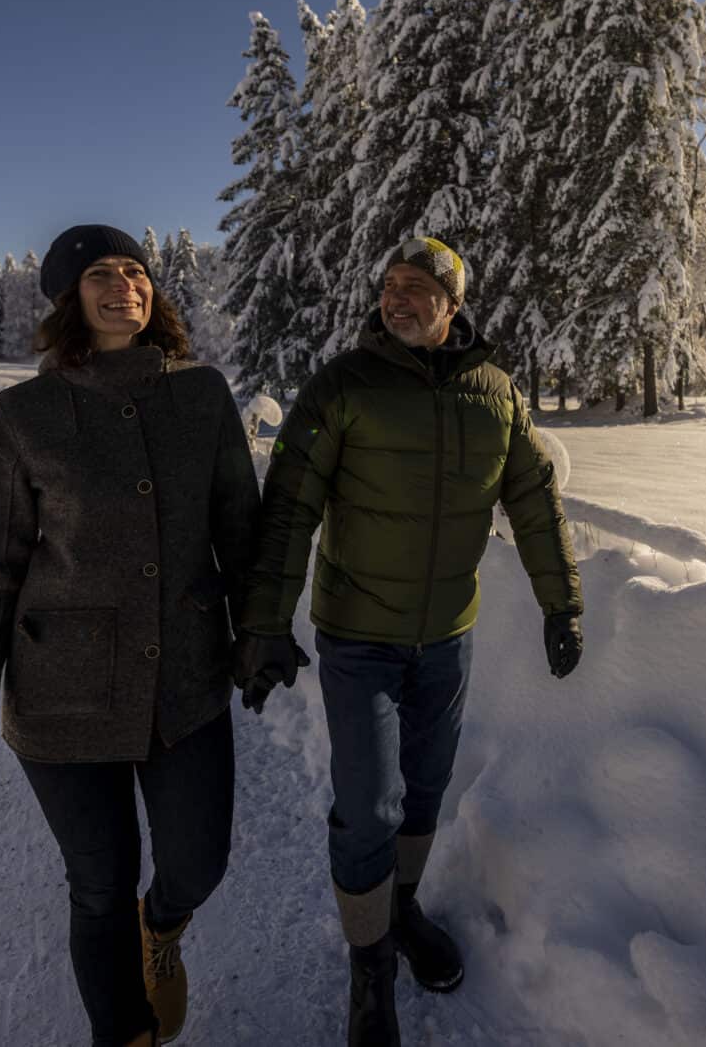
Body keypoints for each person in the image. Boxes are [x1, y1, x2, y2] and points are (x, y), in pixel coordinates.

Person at [235, 235, 582, 1047]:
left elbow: (532, 498)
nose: (399, 297)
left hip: (448, 639)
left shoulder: (495, 394)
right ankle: (368, 968)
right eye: (391, 284)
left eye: (419, 286)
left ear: (452, 305)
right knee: (369, 808)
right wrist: (262, 621)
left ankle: (399, 908)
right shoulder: (343, 385)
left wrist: (561, 603)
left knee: (424, 792)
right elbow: (289, 509)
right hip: (359, 638)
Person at [0, 224, 260, 1047]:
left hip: (184, 681)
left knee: (198, 860)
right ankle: (125, 1035)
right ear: (69, 300)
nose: (125, 285)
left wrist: (260, 631)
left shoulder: (204, 395)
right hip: (63, 698)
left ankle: (167, 923)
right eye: (101, 275)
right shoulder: (23, 416)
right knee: (99, 884)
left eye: (136, 271)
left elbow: (242, 534)